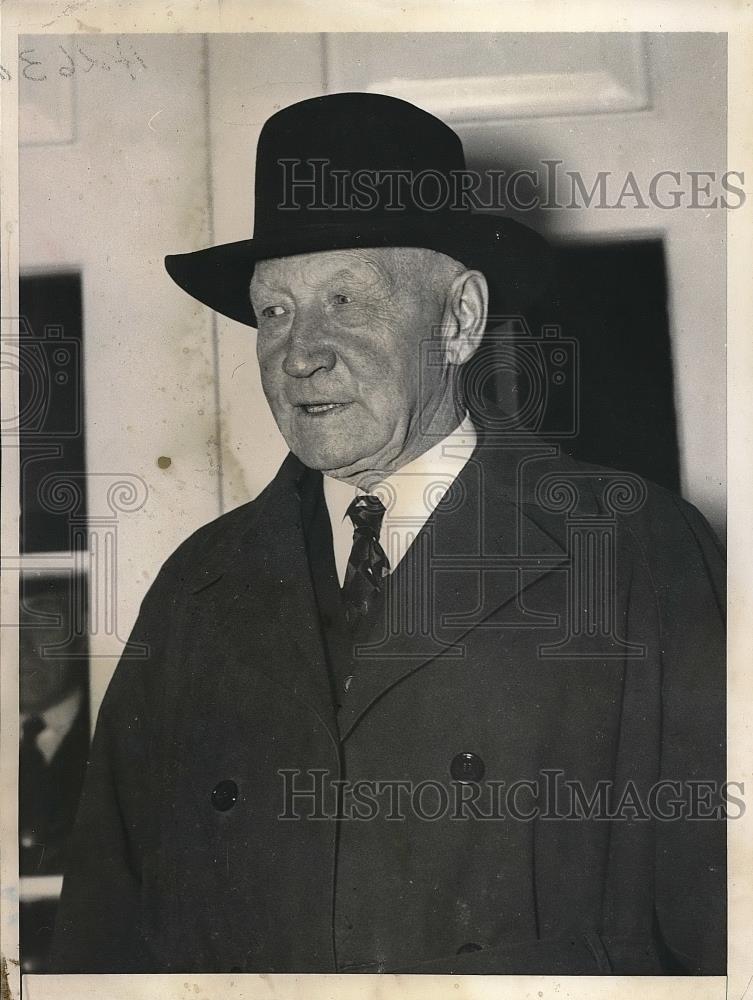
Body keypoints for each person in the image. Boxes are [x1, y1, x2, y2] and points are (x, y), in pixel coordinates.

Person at [50, 92, 725, 975]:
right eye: (276, 311)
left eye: (345, 300)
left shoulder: (632, 549)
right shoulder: (198, 585)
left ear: (458, 320)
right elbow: (101, 935)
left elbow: (722, 918)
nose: (300, 353)